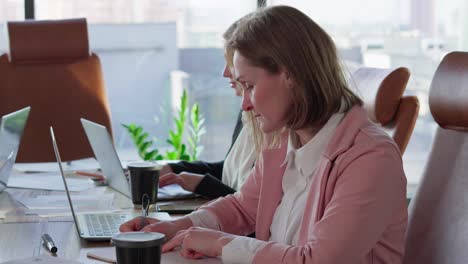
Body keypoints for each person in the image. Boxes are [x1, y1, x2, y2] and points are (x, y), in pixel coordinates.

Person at [121, 5, 407, 263]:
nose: (245, 103)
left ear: (291, 75)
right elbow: (244, 207)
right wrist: (178, 227)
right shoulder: (285, 140)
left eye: (250, 86)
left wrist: (221, 244)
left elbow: (317, 260)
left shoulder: (370, 157)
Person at [157, 20, 257, 199]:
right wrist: (172, 169)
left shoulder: (273, 126)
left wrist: (201, 185)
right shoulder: (247, 114)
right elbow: (228, 170)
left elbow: (251, 210)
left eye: (232, 62)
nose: (225, 72)